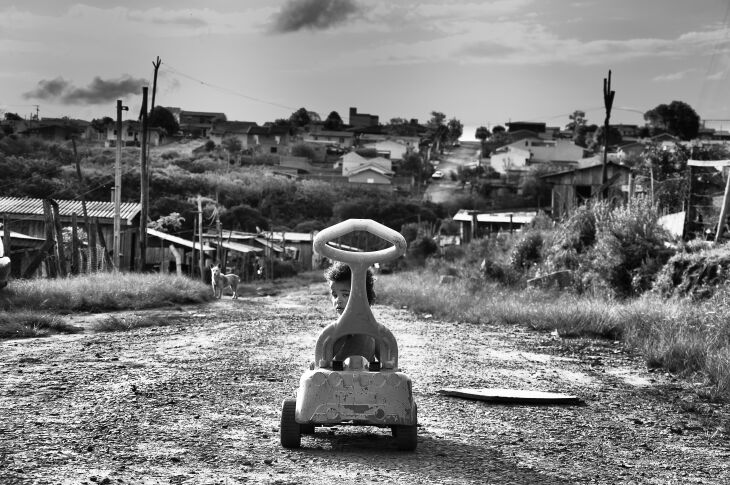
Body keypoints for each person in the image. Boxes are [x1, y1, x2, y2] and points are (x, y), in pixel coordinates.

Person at [324, 261, 378, 362]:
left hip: (345, 374)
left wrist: (322, 360)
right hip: (362, 372)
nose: (338, 300)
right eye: (335, 295)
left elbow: (328, 355)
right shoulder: (368, 322)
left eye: (345, 295)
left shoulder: (345, 325)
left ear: (363, 296)